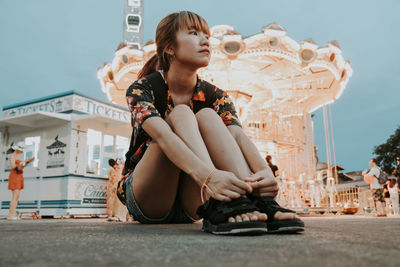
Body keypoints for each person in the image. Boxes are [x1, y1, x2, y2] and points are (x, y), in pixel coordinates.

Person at [116, 11, 304, 235]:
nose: (205, 40)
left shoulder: (216, 95)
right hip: (150, 197)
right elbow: (163, 137)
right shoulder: (142, 88)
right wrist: (209, 178)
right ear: (169, 47)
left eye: (206, 35)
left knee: (207, 115)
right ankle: (221, 199)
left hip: (195, 202)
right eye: (194, 33)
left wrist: (264, 174)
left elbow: (237, 135)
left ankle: (252, 202)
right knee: (181, 114)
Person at [7, 141, 34, 220]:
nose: (22, 151)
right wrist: (24, 161)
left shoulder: (18, 157)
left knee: (17, 197)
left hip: (19, 175)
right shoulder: (12, 156)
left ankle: (11, 215)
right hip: (15, 176)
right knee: (14, 196)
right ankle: (10, 216)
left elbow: (20, 167)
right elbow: (13, 166)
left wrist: (26, 163)